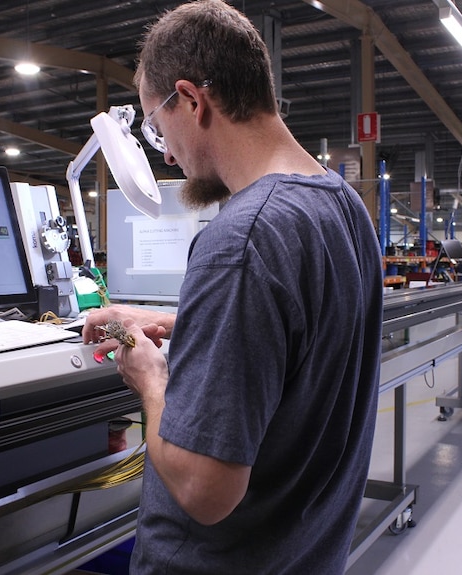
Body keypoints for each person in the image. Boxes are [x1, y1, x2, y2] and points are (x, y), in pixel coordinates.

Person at [82, 1, 383, 572]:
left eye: (155, 126)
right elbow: (303, 344)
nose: (165, 154)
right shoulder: (343, 206)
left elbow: (204, 489)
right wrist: (190, 323)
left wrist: (149, 378)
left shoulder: (241, 239)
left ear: (192, 101)